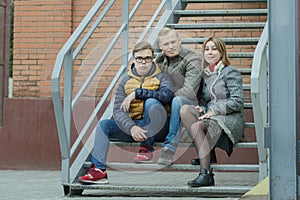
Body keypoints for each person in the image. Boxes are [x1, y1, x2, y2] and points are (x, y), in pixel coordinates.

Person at [78, 41, 174, 184]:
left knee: (151, 103)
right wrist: (131, 127)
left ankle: (147, 149)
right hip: (136, 128)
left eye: (147, 58)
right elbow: (118, 109)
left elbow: (166, 96)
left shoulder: (163, 77)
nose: (143, 62)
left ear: (153, 59)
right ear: (133, 59)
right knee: (104, 125)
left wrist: (138, 93)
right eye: (139, 58)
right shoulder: (125, 80)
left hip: (158, 128)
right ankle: (99, 171)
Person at [180, 37, 245, 187]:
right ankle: (208, 153)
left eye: (214, 49)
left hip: (229, 117)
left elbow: (238, 101)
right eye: (207, 49)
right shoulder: (206, 74)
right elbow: (204, 99)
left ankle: (206, 174)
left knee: (196, 127)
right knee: (185, 110)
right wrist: (202, 108)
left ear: (222, 52)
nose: (210, 52)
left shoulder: (230, 72)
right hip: (210, 116)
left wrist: (214, 110)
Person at [154, 27, 202, 166]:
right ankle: (145, 146)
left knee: (177, 100)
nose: (171, 47)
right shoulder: (160, 60)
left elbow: (189, 91)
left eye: (173, 42)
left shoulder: (192, 58)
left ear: (179, 41)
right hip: (169, 102)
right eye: (166, 44)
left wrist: (164, 96)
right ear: (160, 46)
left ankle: (169, 148)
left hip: (192, 104)